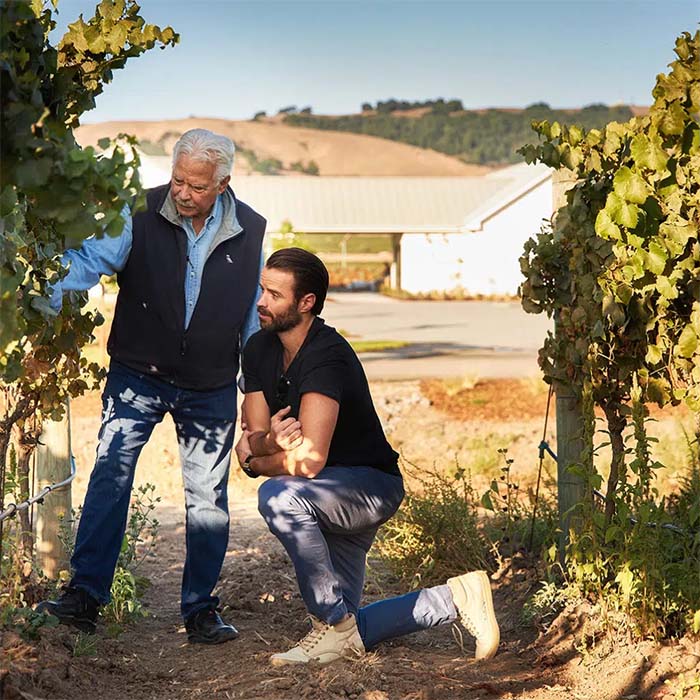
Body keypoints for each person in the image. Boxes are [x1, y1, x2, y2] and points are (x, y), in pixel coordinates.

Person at [37, 128, 266, 644]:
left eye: (197, 186)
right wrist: (34, 290)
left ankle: (201, 611)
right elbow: (90, 262)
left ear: (224, 183)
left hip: (210, 384)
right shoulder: (138, 212)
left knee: (207, 497)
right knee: (110, 477)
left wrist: (256, 393)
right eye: (178, 180)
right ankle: (85, 597)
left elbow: (252, 318)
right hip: (137, 373)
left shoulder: (251, 230)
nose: (183, 193)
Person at [234, 247, 500, 665]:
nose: (261, 303)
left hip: (366, 486)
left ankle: (332, 624)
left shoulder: (326, 355)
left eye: (274, 295)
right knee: (349, 630)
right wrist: (266, 449)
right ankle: (455, 597)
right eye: (261, 290)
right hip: (322, 494)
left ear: (306, 303)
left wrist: (257, 458)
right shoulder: (258, 349)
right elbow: (252, 439)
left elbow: (308, 461)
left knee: (278, 498)